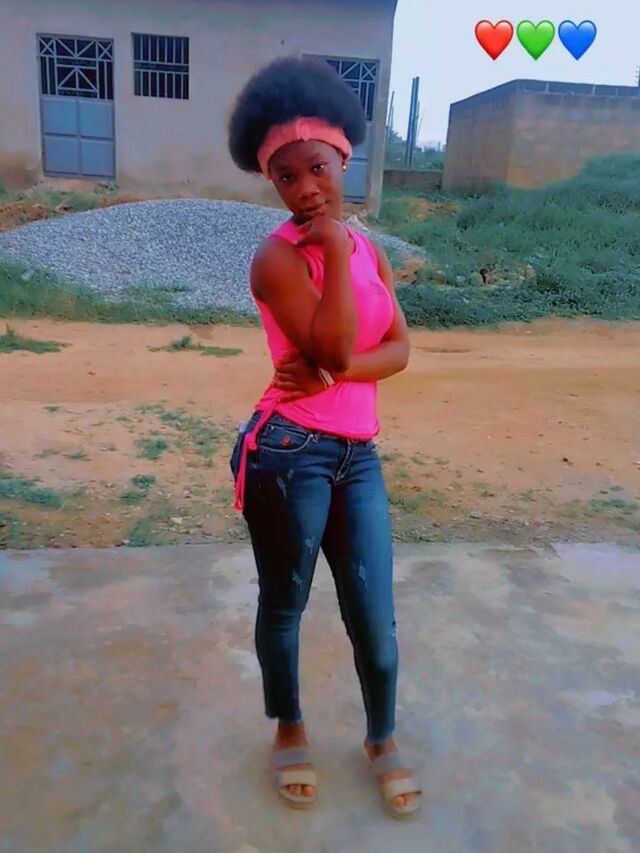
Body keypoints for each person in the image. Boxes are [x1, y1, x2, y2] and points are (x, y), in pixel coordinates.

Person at [227, 55, 421, 819]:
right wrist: (334, 251)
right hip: (287, 454)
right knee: (286, 603)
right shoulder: (278, 257)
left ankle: (381, 737)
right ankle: (289, 726)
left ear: (344, 158)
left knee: (375, 615)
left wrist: (341, 371)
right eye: (285, 176)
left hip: (357, 455)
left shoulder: (371, 249)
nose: (305, 188)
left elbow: (397, 349)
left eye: (317, 168)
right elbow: (338, 342)